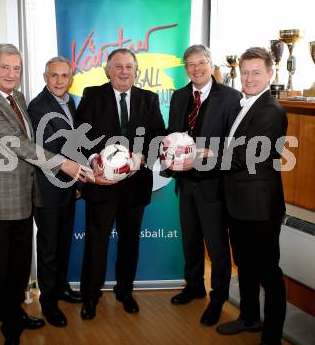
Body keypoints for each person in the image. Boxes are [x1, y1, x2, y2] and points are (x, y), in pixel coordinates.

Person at [0, 44, 92, 344]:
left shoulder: (17, 97)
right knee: (1, 269)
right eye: (4, 67)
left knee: (21, 266)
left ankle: (17, 314)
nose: (11, 73)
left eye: (16, 68)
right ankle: (9, 325)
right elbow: (18, 145)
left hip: (25, 195)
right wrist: (65, 164)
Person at [76, 48, 165, 320]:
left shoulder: (149, 99)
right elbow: (80, 135)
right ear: (108, 70)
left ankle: (125, 291)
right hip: (101, 184)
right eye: (118, 66)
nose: (124, 71)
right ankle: (90, 297)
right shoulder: (92, 95)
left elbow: (158, 137)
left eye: (129, 66)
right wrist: (93, 159)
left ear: (135, 70)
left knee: (130, 243)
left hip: (135, 184)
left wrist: (141, 158)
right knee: (96, 243)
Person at [216, 47, 288, 345]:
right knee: (244, 265)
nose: (248, 77)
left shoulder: (271, 110)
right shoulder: (241, 105)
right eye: (244, 72)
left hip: (259, 206)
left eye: (256, 72)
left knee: (268, 272)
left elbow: (246, 155)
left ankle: (271, 336)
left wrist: (199, 157)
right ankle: (249, 317)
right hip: (236, 201)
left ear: (270, 75)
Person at [167, 45, 241, 326]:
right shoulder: (179, 96)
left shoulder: (232, 98)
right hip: (185, 184)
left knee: (218, 247)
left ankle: (218, 298)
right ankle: (194, 285)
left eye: (201, 63)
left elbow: (235, 145)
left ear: (210, 64)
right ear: (186, 68)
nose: (196, 69)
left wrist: (204, 154)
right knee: (190, 240)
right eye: (191, 64)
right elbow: (172, 135)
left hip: (214, 186)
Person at [27, 57, 83, 328]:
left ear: (71, 77)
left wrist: (78, 183)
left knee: (63, 242)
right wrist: (74, 172)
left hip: (69, 185)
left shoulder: (72, 101)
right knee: (49, 247)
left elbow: (80, 141)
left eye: (64, 75)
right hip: (48, 187)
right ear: (44, 77)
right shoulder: (38, 106)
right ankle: (48, 303)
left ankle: (61, 287)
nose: (60, 81)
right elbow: (50, 147)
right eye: (54, 75)